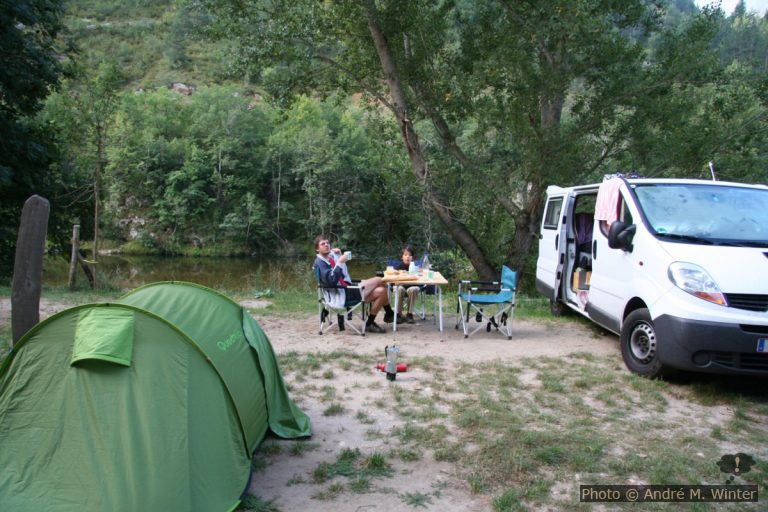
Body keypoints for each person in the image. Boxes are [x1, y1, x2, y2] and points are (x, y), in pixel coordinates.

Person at [313, 236, 393, 333]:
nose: (326, 245)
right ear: (317, 249)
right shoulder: (320, 263)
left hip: (347, 289)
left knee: (381, 291)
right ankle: (390, 313)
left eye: (327, 243)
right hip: (343, 294)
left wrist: (336, 253)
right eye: (323, 244)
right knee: (380, 279)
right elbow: (331, 281)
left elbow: (336, 266)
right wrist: (340, 262)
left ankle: (370, 323)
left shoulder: (328, 258)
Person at [395, 245, 421, 323]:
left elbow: (420, 277)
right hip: (401, 287)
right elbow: (394, 278)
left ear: (412, 257)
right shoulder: (399, 267)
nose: (407, 257)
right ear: (402, 257)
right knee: (399, 289)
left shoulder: (415, 267)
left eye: (410, 255)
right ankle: (398, 314)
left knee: (413, 289)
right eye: (405, 255)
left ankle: (409, 314)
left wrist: (419, 272)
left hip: (413, 286)